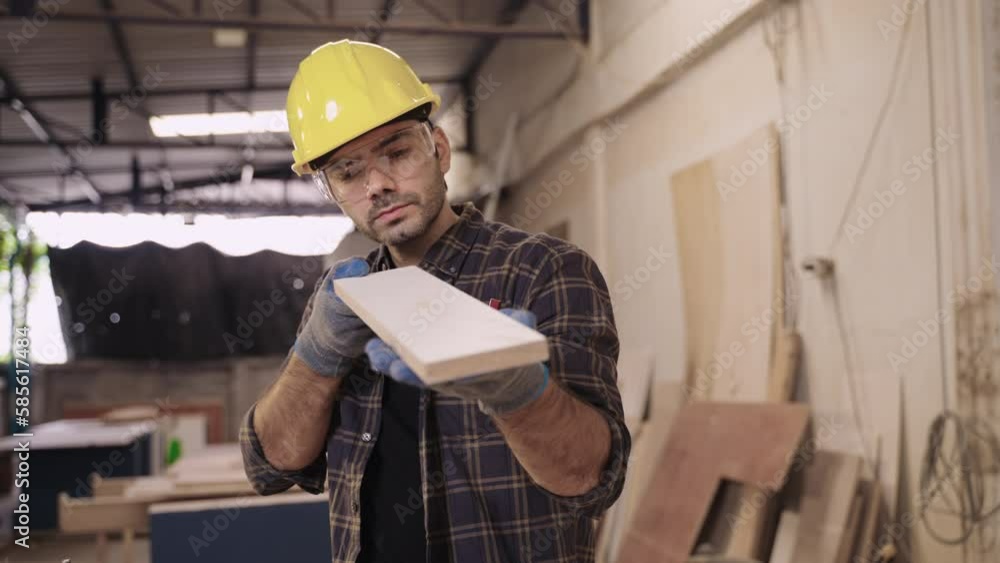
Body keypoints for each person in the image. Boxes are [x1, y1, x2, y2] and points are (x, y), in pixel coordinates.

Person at [241, 39, 629, 563]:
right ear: (332, 191)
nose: (377, 184)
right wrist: (316, 358)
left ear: (439, 151)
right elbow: (270, 466)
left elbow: (591, 479)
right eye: (349, 172)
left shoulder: (544, 270)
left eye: (397, 152)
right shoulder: (340, 300)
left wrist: (519, 394)